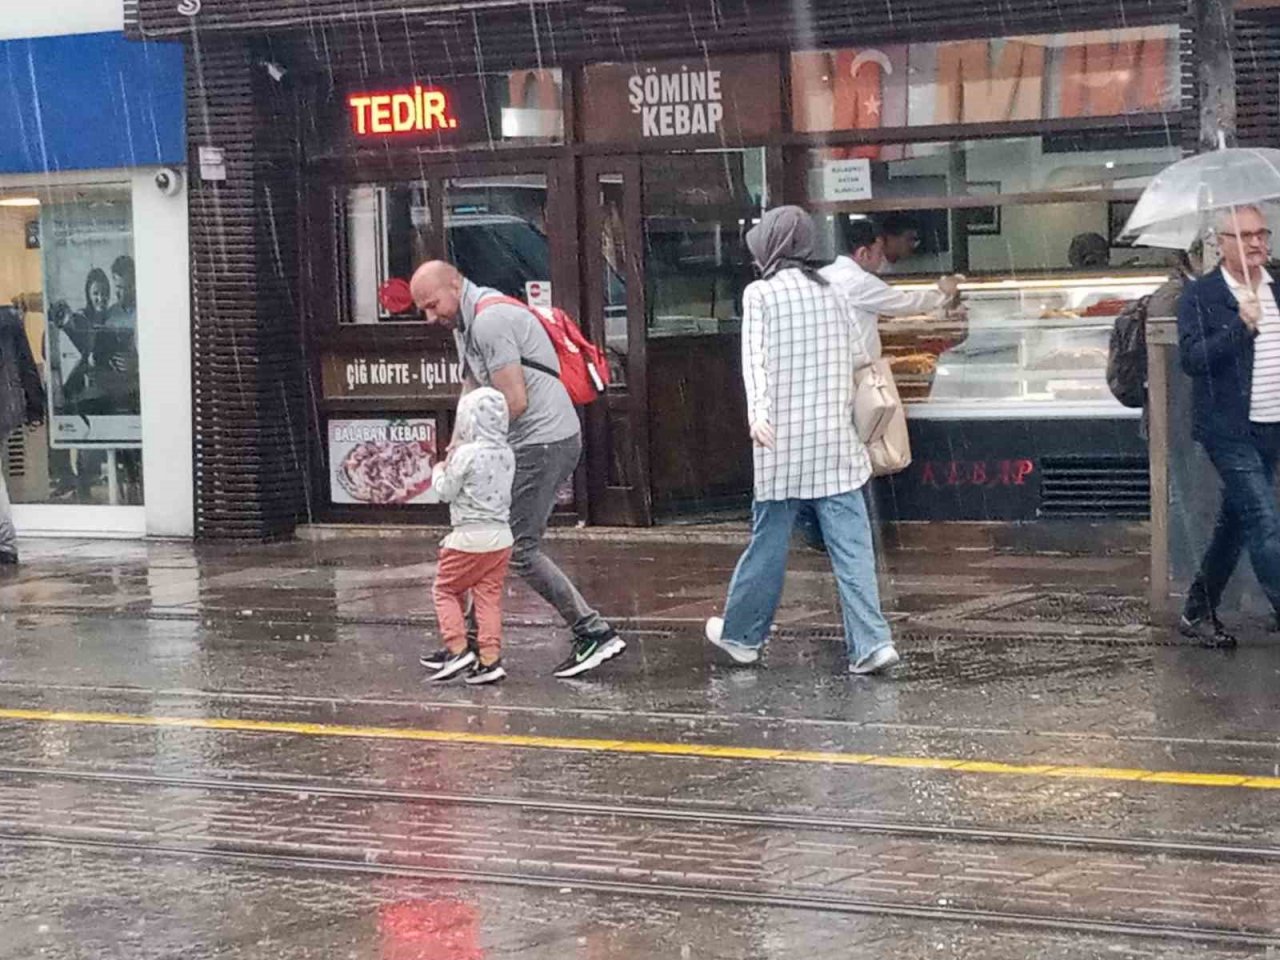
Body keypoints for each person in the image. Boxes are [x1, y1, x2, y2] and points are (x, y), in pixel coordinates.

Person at [704, 206, 898, 676]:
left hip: (782, 446)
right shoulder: (835, 291)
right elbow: (859, 354)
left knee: (768, 545)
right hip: (836, 441)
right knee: (853, 548)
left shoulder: (761, 295)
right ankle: (872, 643)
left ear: (772, 246)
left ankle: (743, 636)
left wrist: (760, 416)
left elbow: (755, 364)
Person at [409, 260, 626, 679]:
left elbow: (515, 399)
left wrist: (473, 450)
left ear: (455, 284)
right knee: (487, 541)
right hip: (528, 443)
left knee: (518, 548)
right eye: (424, 309)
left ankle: (594, 632)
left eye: (433, 305)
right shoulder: (465, 325)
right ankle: (469, 646)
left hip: (545, 442)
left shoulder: (490, 322)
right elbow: (472, 387)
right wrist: (457, 442)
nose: (430, 317)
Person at [1177, 205, 1280, 648]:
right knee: (1264, 521)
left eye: (1262, 234)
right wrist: (1241, 326)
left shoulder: (1277, 287)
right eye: (1245, 236)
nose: (1257, 243)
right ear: (1220, 242)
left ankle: (1197, 609)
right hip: (1228, 428)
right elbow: (1193, 359)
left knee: (1235, 523)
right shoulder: (1202, 295)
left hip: (1272, 423)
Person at [426, 388, 517, 686]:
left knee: (446, 590)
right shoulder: (507, 452)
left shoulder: (466, 454)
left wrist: (439, 469)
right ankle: (490, 659)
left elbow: (446, 491)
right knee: (487, 598)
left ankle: (457, 649)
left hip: (467, 537)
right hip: (501, 537)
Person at [0, 304, 47, 566]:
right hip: (7, 405)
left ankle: (5, 544)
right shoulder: (9, 319)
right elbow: (26, 363)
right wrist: (34, 404)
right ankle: (5, 544)